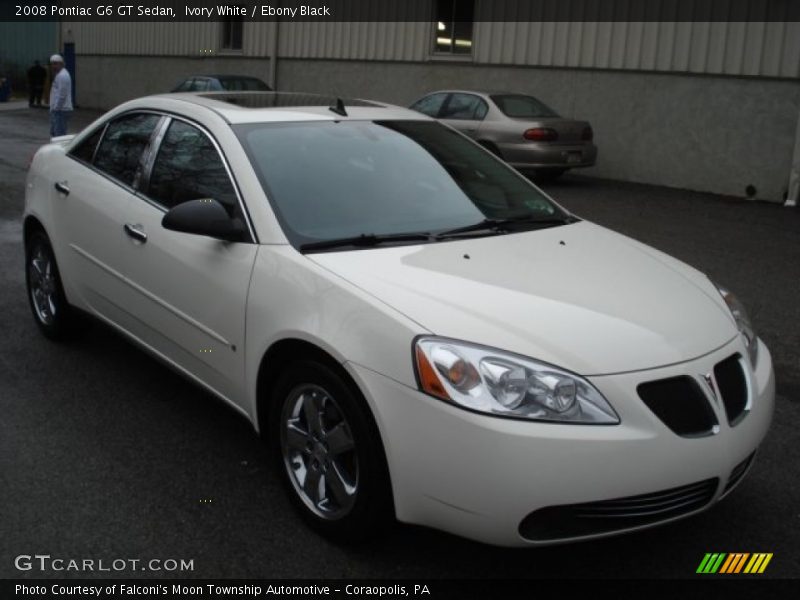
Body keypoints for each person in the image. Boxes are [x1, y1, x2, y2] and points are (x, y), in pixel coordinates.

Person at [49, 54, 73, 137]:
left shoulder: (63, 76)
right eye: (52, 64)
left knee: (59, 136)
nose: (53, 66)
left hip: (61, 110)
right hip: (58, 110)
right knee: (54, 133)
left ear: (61, 64)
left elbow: (62, 94)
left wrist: (56, 108)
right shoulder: (59, 75)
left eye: (56, 63)